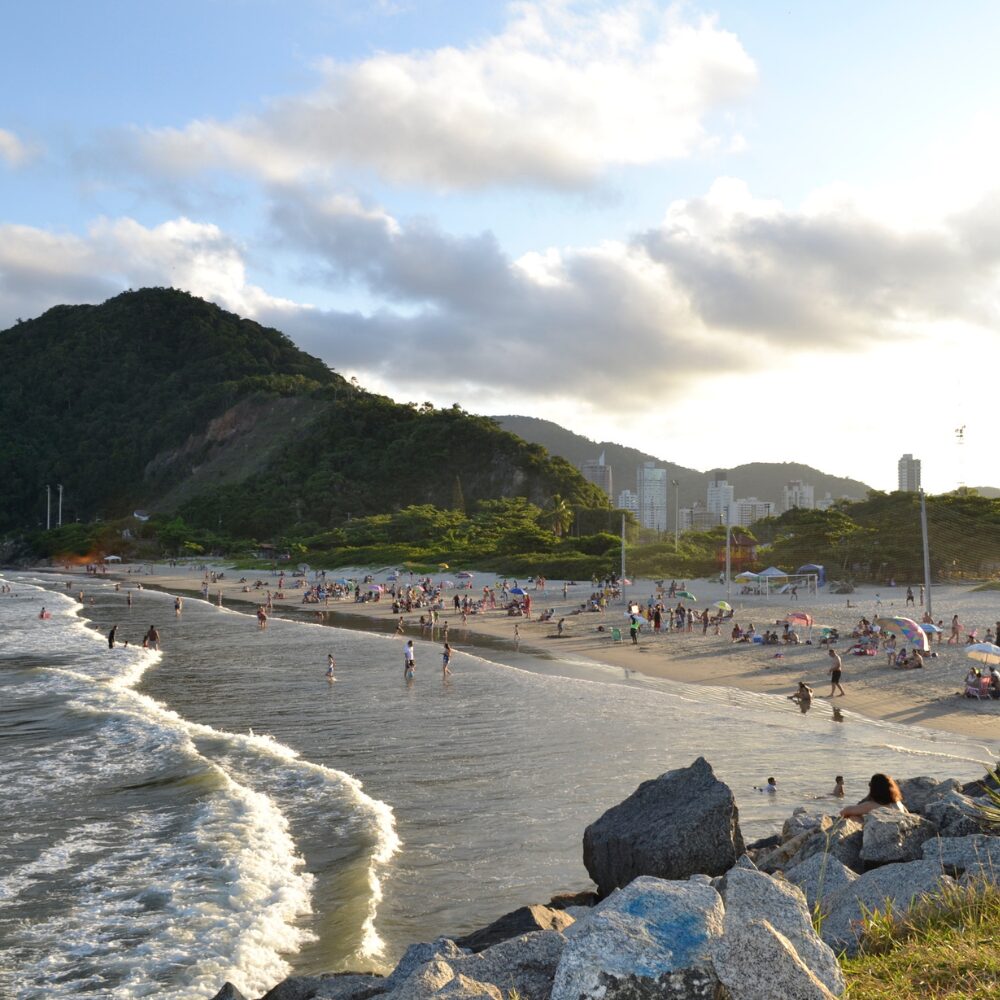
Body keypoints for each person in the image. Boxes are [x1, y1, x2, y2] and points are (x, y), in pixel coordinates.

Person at [840, 773, 907, 817]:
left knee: (853, 817)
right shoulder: (898, 803)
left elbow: (844, 812)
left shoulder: (873, 805)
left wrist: (870, 796)